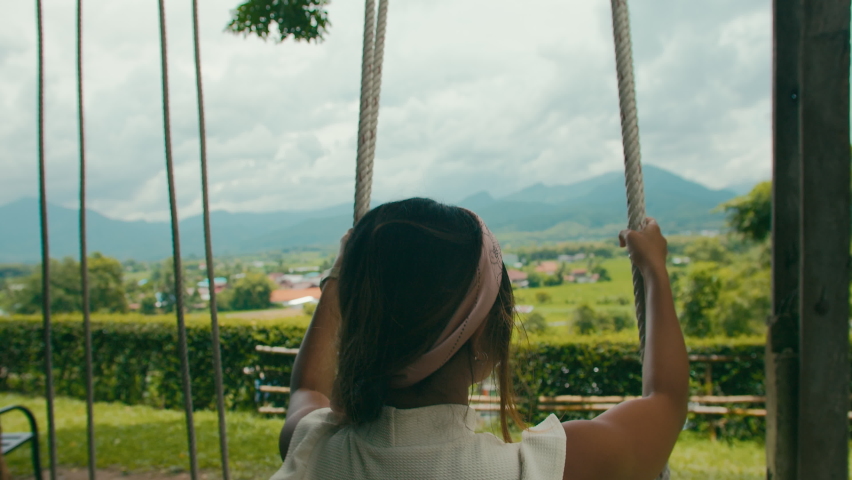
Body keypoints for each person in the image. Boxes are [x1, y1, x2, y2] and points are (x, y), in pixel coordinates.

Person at [271, 198, 688, 480]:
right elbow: (666, 401)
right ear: (483, 340)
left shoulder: (314, 449)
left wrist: (339, 276)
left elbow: (308, 387)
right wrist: (655, 270)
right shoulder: (536, 469)